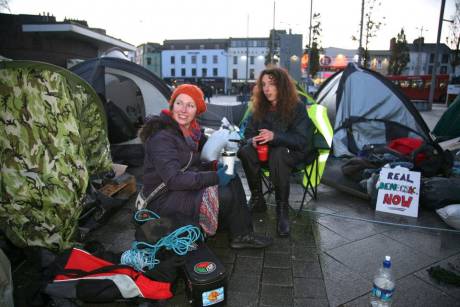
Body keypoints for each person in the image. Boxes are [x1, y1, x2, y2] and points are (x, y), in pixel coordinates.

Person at [139, 84, 272, 249]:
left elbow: (192, 165)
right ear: (172, 105)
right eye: (179, 103)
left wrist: (214, 166)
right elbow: (174, 179)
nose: (183, 110)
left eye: (190, 105)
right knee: (224, 193)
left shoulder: (191, 133)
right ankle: (227, 226)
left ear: (197, 111)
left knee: (232, 177)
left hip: (178, 190)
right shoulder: (162, 138)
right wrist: (215, 176)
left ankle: (241, 234)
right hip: (163, 198)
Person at [237, 68, 315, 237]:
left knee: (278, 153)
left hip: (291, 153)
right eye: (263, 85)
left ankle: (282, 210)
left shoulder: (297, 107)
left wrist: (275, 136)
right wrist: (253, 141)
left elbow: (302, 140)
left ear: (282, 85)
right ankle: (258, 199)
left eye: (271, 84)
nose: (266, 89)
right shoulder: (260, 108)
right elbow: (248, 134)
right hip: (265, 154)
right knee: (245, 151)